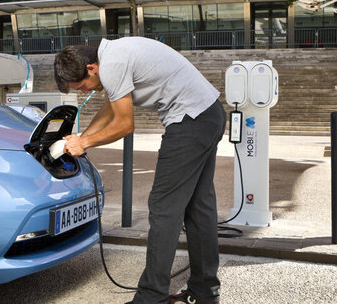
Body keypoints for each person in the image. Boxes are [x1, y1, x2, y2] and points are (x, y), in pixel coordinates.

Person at [54, 37, 225, 304]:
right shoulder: (113, 55)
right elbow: (109, 108)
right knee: (199, 207)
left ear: (91, 69)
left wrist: (84, 143)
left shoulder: (112, 64)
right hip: (209, 114)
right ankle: (205, 292)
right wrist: (81, 139)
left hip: (189, 122)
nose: (87, 90)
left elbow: (124, 125)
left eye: (84, 86)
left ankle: (150, 298)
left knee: (163, 208)